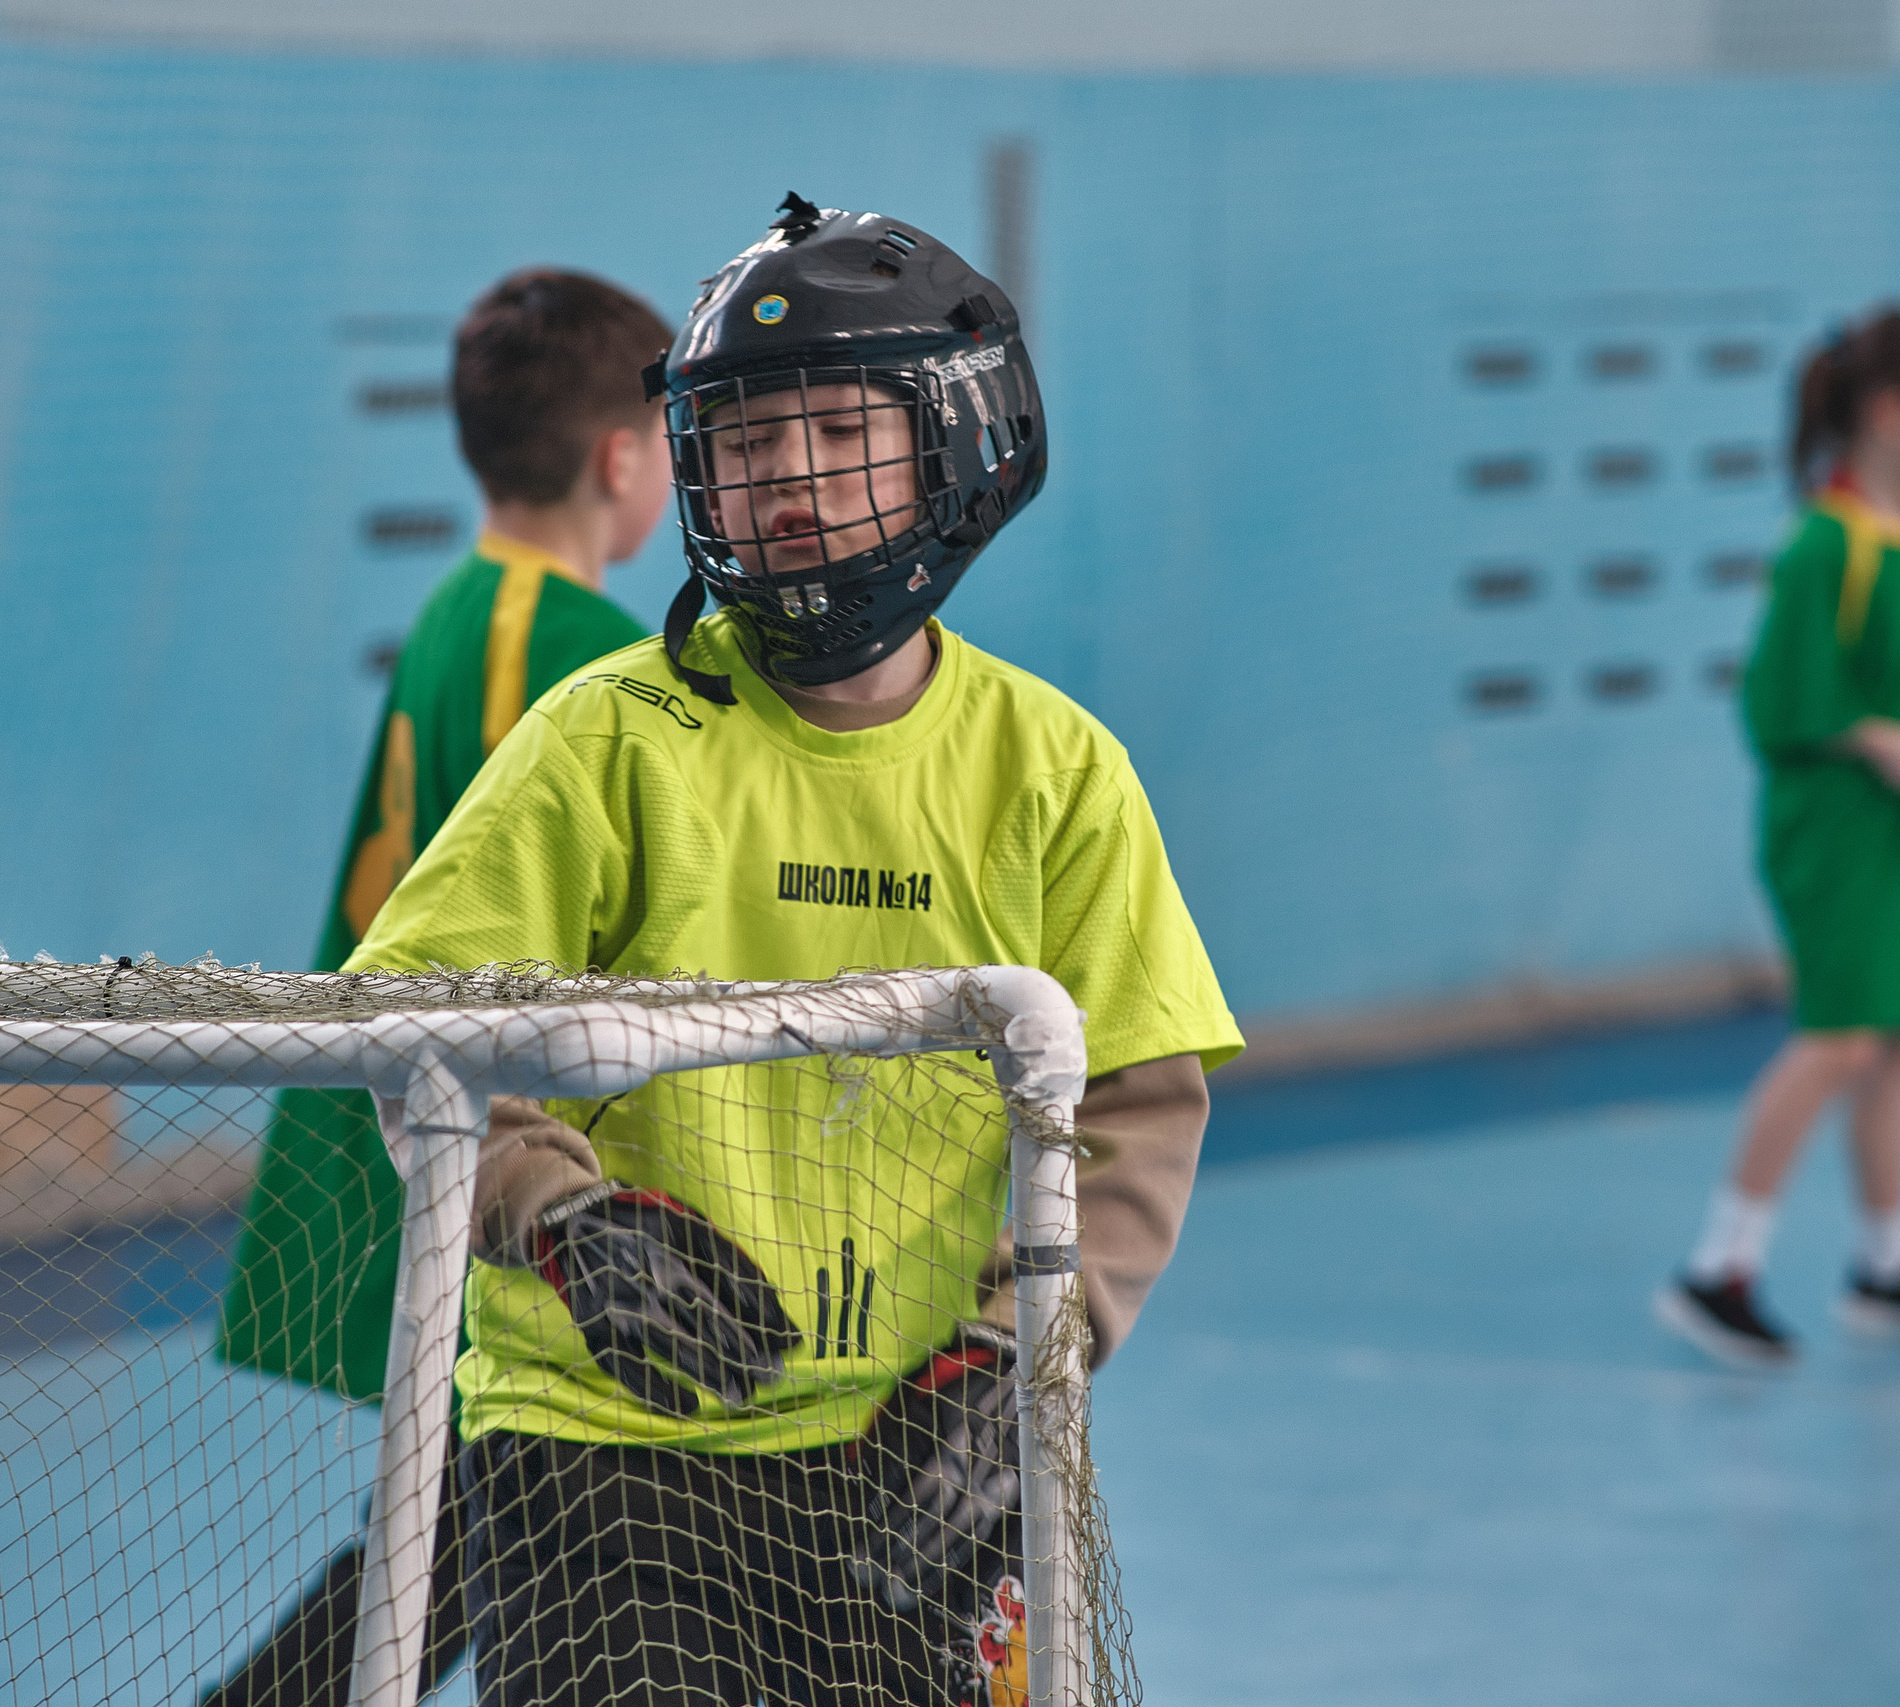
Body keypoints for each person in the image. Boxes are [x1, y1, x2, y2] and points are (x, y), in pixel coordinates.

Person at [346, 194, 1241, 1706]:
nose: (788, 483)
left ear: (956, 445)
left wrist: (1018, 1353)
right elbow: (411, 1023)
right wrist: (558, 1213)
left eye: (837, 433)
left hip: (914, 1454)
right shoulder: (610, 737)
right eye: (747, 444)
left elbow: (1137, 1102)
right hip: (603, 1442)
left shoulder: (1055, 769)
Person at [205, 268, 672, 1706]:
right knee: (477, 1535)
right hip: (500, 1155)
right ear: (620, 459)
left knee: (448, 1536)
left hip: (449, 1139)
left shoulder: (456, 612)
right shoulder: (581, 653)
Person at [1655, 304, 1900, 1371]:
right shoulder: (1825, 543)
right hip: (1841, 828)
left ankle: (1888, 1261)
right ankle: (1719, 1267)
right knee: (1841, 1038)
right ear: (1889, 412)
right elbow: (1773, 703)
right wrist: (1875, 736)